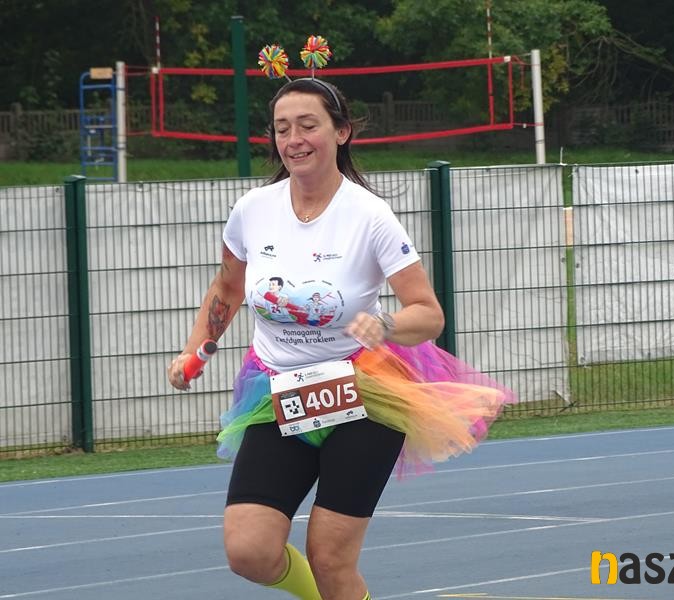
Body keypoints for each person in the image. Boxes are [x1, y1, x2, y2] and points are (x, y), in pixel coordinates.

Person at [167, 77, 513, 600]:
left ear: (341, 132)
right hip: (277, 390)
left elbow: (428, 313)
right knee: (249, 551)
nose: (294, 140)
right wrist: (196, 351)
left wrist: (386, 325)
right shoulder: (252, 209)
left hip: (364, 391)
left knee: (330, 557)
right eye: (282, 128)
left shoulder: (369, 216)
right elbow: (228, 288)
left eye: (308, 125)